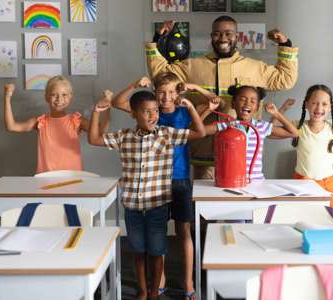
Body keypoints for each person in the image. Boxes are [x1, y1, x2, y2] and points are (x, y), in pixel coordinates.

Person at [146, 15, 299, 179]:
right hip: (203, 152)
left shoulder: (254, 68)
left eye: (228, 33)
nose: (223, 38)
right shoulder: (192, 66)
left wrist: (285, 44)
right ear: (212, 37)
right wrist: (157, 38)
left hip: (242, 154)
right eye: (217, 34)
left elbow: (285, 79)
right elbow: (160, 75)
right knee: (205, 202)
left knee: (242, 201)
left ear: (237, 36)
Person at [88, 90, 205, 300]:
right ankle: (143, 290)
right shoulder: (124, 136)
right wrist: (96, 112)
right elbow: (94, 139)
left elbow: (200, 133)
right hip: (132, 206)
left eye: (155, 111)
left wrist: (190, 108)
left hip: (157, 205)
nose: (153, 115)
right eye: (146, 111)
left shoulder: (166, 134)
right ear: (133, 113)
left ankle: (154, 292)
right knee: (137, 250)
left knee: (157, 251)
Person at [111, 72, 219, 300]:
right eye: (161, 92)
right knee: (156, 233)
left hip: (179, 179)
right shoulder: (151, 113)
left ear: (178, 94)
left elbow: (214, 101)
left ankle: (187, 281)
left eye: (171, 92)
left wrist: (192, 88)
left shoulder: (184, 113)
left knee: (183, 230)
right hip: (151, 182)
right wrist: (134, 83)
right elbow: (117, 102)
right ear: (154, 94)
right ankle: (159, 281)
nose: (166, 97)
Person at [277, 84, 333, 208]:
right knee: (302, 219)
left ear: (330, 107)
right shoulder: (297, 126)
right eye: (314, 103)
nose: (319, 107)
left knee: (328, 221)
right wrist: (281, 110)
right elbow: (269, 131)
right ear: (306, 104)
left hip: (327, 183)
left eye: (324, 104)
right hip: (301, 183)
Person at [3, 76, 110, 174]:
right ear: (46, 97)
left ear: (70, 97)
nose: (59, 99)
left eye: (64, 95)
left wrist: (107, 108)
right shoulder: (40, 121)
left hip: (73, 178)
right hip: (46, 178)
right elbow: (11, 126)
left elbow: (101, 131)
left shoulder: (76, 120)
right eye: (54, 95)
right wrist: (7, 97)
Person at [202, 84, 298, 179]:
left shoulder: (261, 126)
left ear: (257, 108)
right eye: (243, 99)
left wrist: (276, 114)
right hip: (231, 181)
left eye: (253, 101)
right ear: (233, 103)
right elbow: (199, 131)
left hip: (256, 181)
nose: (247, 103)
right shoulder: (226, 125)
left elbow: (294, 133)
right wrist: (208, 110)